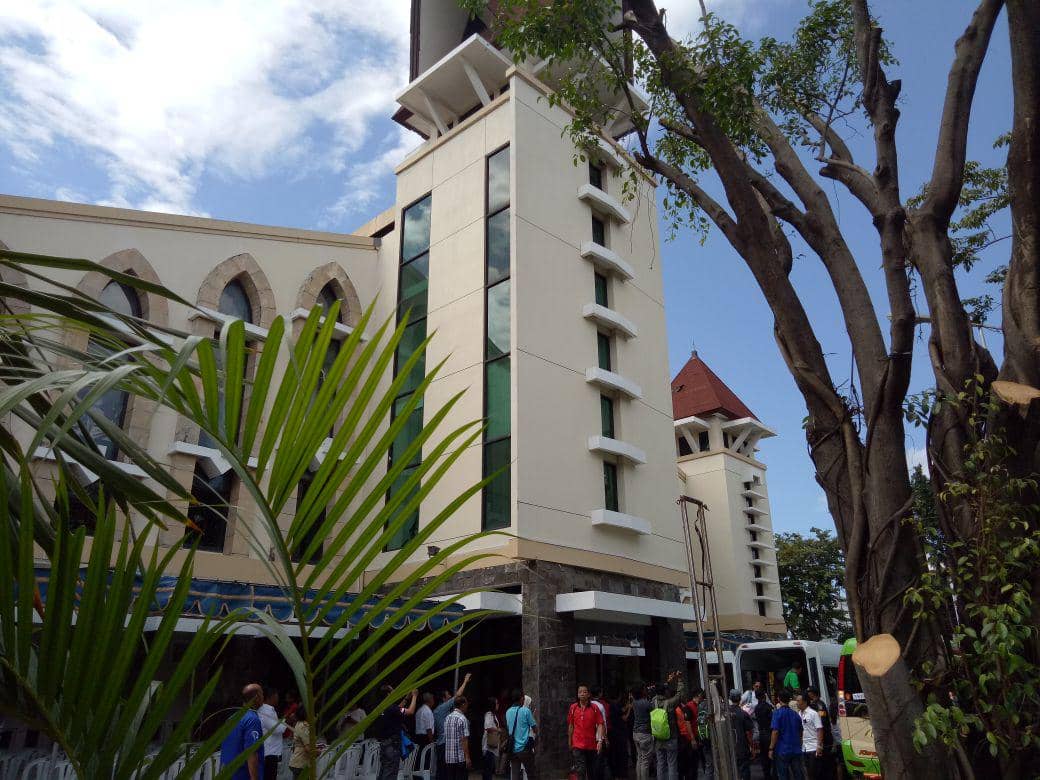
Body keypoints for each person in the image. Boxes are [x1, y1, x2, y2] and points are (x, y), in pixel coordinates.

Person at [221, 683, 264, 780]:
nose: (263, 698)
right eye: (262, 694)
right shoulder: (252, 720)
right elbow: (251, 752)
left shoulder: (232, 718)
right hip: (243, 774)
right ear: (257, 697)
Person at [375, 685, 418, 780]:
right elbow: (410, 711)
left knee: (384, 771)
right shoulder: (391, 708)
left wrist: (406, 698)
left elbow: (397, 709)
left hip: (384, 744)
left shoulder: (382, 707)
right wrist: (414, 696)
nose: (395, 692)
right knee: (390, 773)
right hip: (392, 745)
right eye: (392, 691)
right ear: (388, 694)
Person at [434, 673, 473, 779]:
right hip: (448, 747)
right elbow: (458, 696)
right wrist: (465, 681)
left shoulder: (442, 714)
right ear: (443, 698)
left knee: (443, 773)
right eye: (448, 695)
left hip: (445, 749)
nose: (450, 697)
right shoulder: (447, 711)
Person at [651, 671, 685, 780]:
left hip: (657, 737)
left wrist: (668, 681)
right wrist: (679, 680)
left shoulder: (653, 702)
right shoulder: (670, 703)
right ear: (665, 692)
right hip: (671, 737)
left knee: (660, 763)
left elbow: (655, 690)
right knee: (672, 764)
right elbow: (680, 695)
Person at [568, 684, 605, 780]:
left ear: (588, 694)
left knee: (591, 770)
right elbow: (571, 725)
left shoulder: (594, 708)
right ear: (577, 694)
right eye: (580, 692)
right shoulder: (573, 708)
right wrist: (570, 741)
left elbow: (600, 724)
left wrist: (600, 741)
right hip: (577, 744)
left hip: (591, 744)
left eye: (585, 692)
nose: (582, 694)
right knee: (581, 769)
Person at [768, 689, 804, 780]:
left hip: (782, 749)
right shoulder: (795, 714)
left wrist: (771, 748)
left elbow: (775, 731)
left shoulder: (777, 713)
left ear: (779, 699)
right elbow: (801, 730)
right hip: (796, 748)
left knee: (783, 775)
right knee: (798, 774)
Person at [505, 688, 538, 780]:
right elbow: (535, 729)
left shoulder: (508, 712)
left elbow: (509, 729)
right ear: (521, 698)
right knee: (531, 774)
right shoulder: (526, 711)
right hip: (524, 749)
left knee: (515, 775)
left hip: (513, 749)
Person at [806, 686, 836, 780]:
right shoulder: (814, 704)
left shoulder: (819, 705)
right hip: (821, 737)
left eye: (809, 692)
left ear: (812, 693)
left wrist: (820, 741)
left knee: (825, 763)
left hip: (824, 738)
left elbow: (821, 722)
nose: (807, 694)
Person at [727, 690, 756, 780]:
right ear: (740, 699)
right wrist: (752, 747)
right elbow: (748, 733)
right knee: (744, 770)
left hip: (729, 747)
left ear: (730, 698)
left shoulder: (725, 713)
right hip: (742, 748)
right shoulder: (743, 714)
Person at [796, 693, 824, 780]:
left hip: (813, 747)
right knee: (807, 773)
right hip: (803, 748)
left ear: (804, 702)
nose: (796, 703)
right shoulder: (798, 714)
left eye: (798, 701)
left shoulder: (813, 713)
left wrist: (819, 746)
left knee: (814, 773)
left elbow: (820, 729)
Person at [444, 696, 472, 780]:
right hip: (459, 758)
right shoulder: (462, 719)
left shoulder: (447, 718)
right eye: (466, 704)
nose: (467, 706)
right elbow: (464, 739)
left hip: (449, 758)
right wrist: (467, 757)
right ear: (463, 704)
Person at [258, 687, 283, 780]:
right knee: (269, 777)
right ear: (271, 697)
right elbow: (276, 728)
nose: (277, 698)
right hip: (269, 753)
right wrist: (286, 722)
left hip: (270, 751)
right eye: (276, 696)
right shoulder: (266, 711)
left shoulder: (269, 710)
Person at [629, 684, 653, 780]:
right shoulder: (646, 703)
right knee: (645, 761)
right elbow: (653, 713)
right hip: (645, 734)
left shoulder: (634, 702)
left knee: (640, 758)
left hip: (636, 733)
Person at [288, 705, 316, 778]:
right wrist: (317, 752)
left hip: (297, 761)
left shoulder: (298, 724)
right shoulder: (304, 726)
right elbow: (307, 748)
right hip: (301, 762)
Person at [608, 691, 631, 779]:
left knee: (616, 754)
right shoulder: (615, 705)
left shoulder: (611, 705)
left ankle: (617, 774)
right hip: (619, 733)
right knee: (622, 754)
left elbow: (622, 711)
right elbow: (624, 718)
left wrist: (627, 706)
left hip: (614, 733)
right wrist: (629, 708)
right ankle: (622, 774)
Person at [753, 689, 775, 779]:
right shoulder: (768, 707)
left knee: (764, 757)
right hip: (769, 733)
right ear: (764, 696)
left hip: (761, 733)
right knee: (772, 755)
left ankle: (767, 775)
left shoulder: (757, 708)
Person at [482, 696, 502, 780]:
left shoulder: (493, 715)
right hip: (488, 746)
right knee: (488, 769)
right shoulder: (489, 714)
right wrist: (497, 730)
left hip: (492, 746)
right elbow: (488, 727)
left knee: (489, 769)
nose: (498, 705)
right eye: (496, 703)